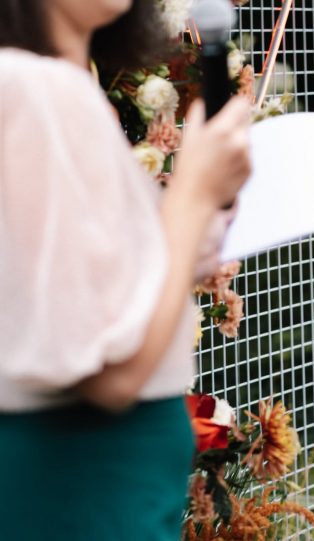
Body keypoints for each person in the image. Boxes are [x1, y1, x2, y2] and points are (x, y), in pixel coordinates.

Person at [0, 1, 251, 539]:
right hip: (78, 502)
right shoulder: (34, 89)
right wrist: (192, 193)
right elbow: (112, 371)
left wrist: (200, 208)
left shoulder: (53, 86)